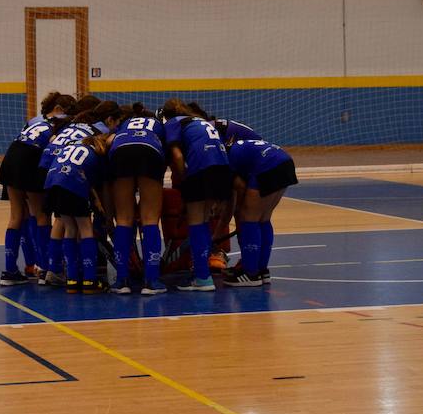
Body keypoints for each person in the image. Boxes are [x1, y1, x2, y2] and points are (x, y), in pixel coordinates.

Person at [0, 94, 76, 286]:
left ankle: (9, 271)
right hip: (31, 159)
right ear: (59, 109)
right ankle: (44, 268)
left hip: (11, 156)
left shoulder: (34, 122)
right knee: (41, 214)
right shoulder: (59, 125)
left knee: (16, 216)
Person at [161, 98, 232, 291]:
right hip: (223, 167)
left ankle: (202, 278)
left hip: (201, 167)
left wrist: (185, 181)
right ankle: (204, 273)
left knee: (195, 222)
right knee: (205, 220)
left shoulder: (174, 123)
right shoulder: (199, 121)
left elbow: (176, 155)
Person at [108, 103, 167, 295]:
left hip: (121, 149)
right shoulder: (158, 125)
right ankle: (151, 280)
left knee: (124, 218)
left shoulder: (123, 124)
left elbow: (109, 141)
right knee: (150, 218)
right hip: (149, 150)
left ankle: (121, 280)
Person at [223, 139, 298, 286]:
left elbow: (239, 187)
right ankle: (262, 270)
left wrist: (236, 211)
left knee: (249, 218)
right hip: (285, 162)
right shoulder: (237, 147)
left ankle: (250, 273)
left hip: (268, 166)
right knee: (263, 217)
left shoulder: (223, 160)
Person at [44, 134, 113, 294]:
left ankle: (72, 280)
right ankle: (90, 280)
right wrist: (102, 209)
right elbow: (96, 185)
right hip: (73, 182)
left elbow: (87, 182)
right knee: (85, 228)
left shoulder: (75, 147)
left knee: (70, 229)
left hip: (54, 184)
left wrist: (96, 202)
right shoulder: (97, 155)